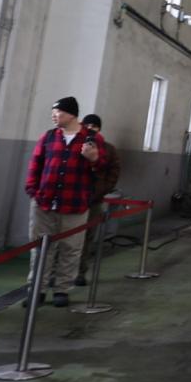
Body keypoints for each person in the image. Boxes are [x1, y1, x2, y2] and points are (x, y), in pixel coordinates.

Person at [21, 96, 107, 309]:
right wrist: (33, 190)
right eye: (53, 112)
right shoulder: (49, 137)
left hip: (74, 203)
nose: (53, 116)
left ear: (71, 114)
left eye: (57, 112)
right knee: (41, 248)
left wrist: (94, 159)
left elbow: (102, 168)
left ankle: (62, 289)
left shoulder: (92, 139)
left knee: (71, 248)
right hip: (44, 203)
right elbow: (36, 164)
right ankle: (37, 289)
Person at [75, 113, 120, 286]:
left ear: (99, 128)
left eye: (94, 126)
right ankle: (56, 273)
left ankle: (80, 272)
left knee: (87, 238)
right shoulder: (75, 145)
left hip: (94, 200)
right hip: (73, 199)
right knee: (65, 238)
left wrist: (102, 190)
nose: (91, 129)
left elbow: (114, 172)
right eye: (88, 125)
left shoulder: (109, 150)